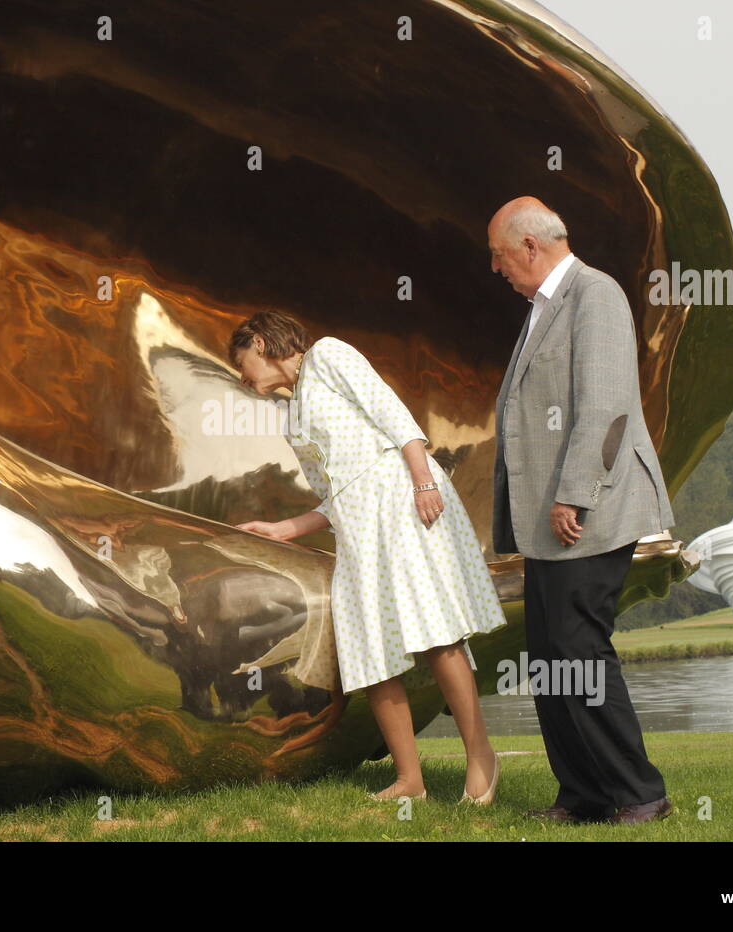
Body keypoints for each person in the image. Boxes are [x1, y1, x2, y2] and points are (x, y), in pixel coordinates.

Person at [230, 310, 508, 804]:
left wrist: (423, 481)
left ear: (259, 340)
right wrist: (284, 528)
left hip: (401, 500)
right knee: (368, 647)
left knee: (436, 630)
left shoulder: (329, 354)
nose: (243, 377)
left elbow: (394, 415)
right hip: (358, 527)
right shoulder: (292, 413)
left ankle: (481, 754)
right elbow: (336, 494)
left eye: (242, 361)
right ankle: (409, 781)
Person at [488, 196, 677, 825]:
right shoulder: (546, 305)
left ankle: (641, 794)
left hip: (587, 512)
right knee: (549, 661)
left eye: (499, 256)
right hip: (552, 521)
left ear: (531, 247)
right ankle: (584, 795)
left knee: (579, 653)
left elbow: (605, 407)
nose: (497, 269)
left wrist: (575, 492)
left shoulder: (596, 295)